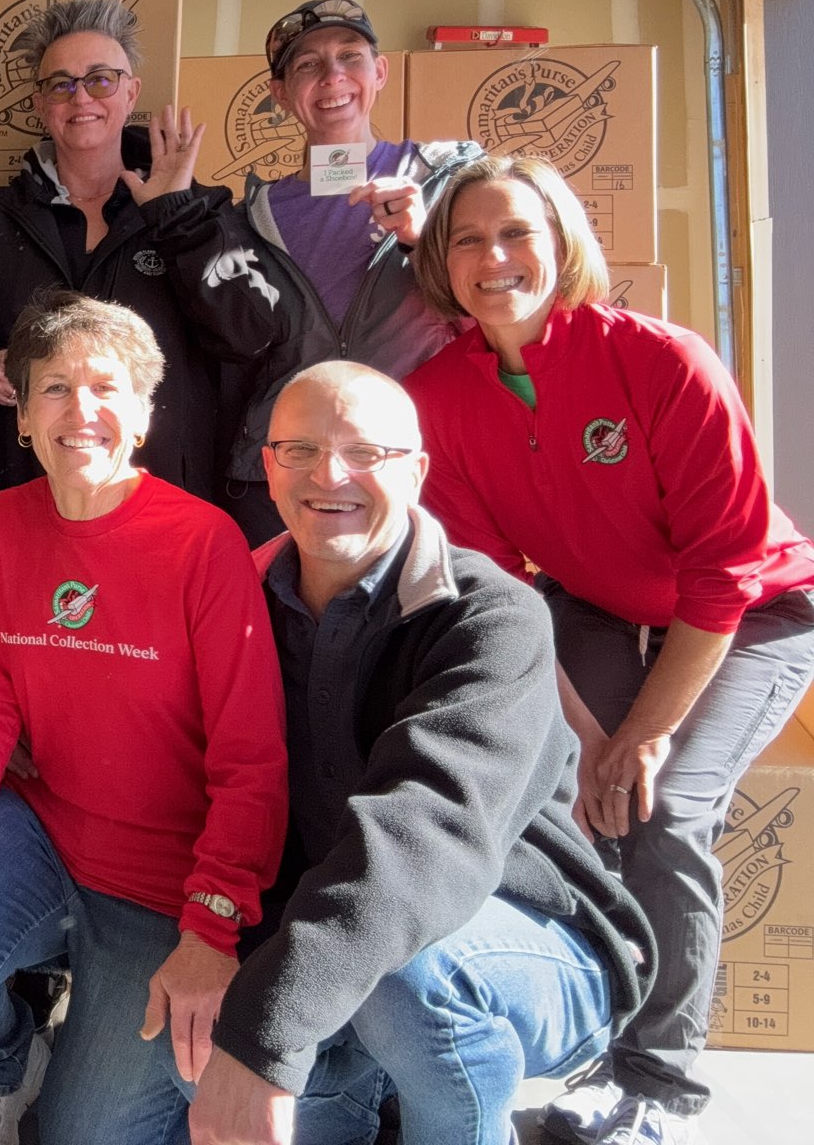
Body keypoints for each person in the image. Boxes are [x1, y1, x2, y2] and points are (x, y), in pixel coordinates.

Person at [405, 156, 814, 1145]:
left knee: (662, 809)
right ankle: (574, 1027)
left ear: (560, 243)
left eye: (515, 234)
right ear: (438, 261)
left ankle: (653, 1081)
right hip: (586, 609)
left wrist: (637, 739)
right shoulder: (436, 395)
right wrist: (581, 736)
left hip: (749, 614)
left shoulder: (661, 359)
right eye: (467, 239)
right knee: (553, 788)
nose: (493, 258)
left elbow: (721, 572)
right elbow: (498, 593)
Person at [189, 361, 653, 1145]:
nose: (329, 474)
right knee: (193, 1036)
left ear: (417, 470)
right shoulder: (229, 604)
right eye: (298, 450)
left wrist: (261, 1039)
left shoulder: (492, 616)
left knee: (405, 985)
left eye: (365, 452)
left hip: (522, 937)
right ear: (268, 467)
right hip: (325, 935)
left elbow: (423, 835)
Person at [0, 291, 286, 1145]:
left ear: (141, 416)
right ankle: (2, 1068)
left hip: (163, 885)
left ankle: (94, 1041)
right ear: (22, 416)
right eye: (54, 387)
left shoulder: (203, 543)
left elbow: (251, 758)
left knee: (85, 1137)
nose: (80, 410)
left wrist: (212, 928)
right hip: (44, 837)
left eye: (105, 388)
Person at [187, 0, 482, 542]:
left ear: (379, 72)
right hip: (288, 476)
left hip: (415, 468)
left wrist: (423, 241)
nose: (333, 77)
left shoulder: (449, 182)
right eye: (307, 65)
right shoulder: (252, 215)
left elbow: (499, 318)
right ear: (280, 94)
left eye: (350, 56)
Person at [0, 0, 239, 525]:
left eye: (101, 79)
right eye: (60, 84)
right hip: (20, 496)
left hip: (156, 498)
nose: (80, 96)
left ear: (131, 93)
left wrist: (175, 216)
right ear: (42, 105)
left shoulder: (199, 210)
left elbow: (245, 335)